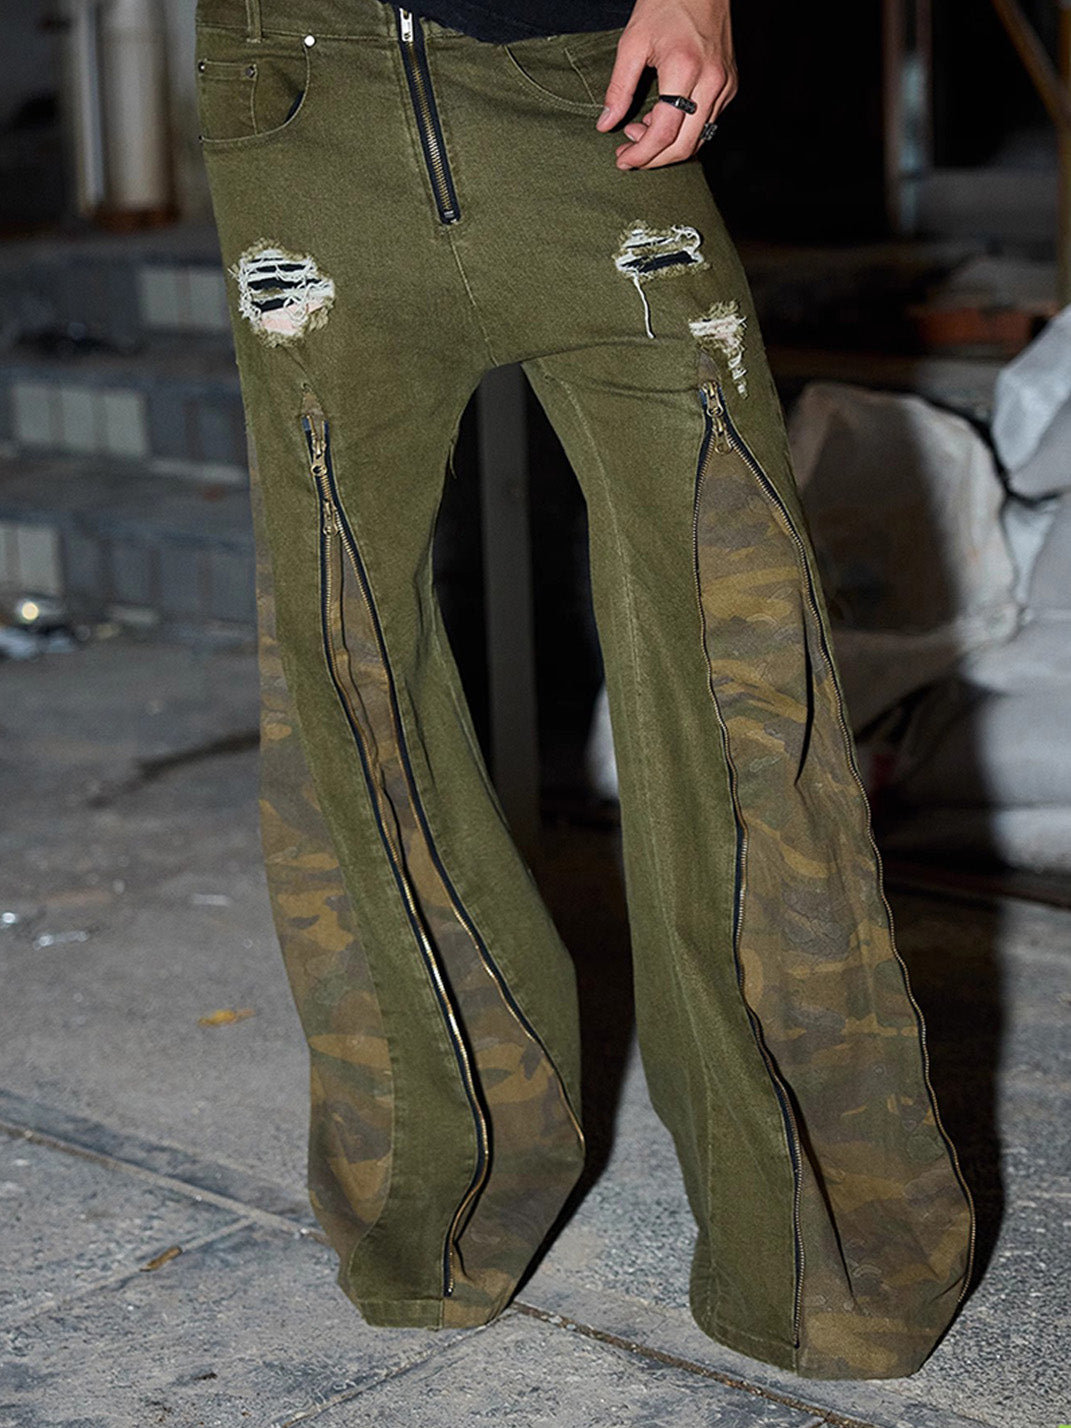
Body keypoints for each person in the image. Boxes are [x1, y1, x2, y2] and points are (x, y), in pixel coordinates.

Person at [193, 0, 974, 1380]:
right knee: (345, 678)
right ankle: (441, 1204)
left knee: (746, 668)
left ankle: (823, 1258)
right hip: (305, 101)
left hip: (593, 96)